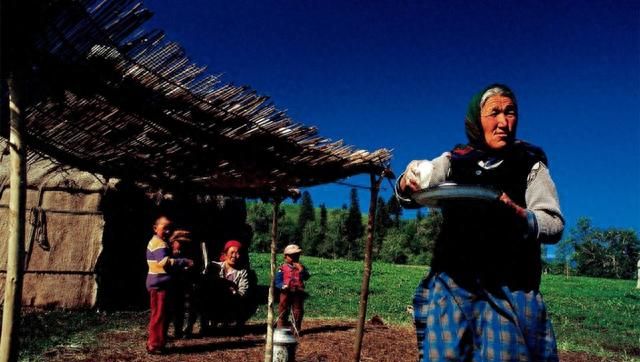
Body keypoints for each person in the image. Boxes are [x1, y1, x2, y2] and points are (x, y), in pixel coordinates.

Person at [396, 84, 564, 361]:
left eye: (510, 112)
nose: (503, 122)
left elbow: (553, 224)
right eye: (494, 113)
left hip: (509, 290)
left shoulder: (529, 164)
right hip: (452, 287)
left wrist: (521, 217)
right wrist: (407, 180)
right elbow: (413, 193)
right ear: (476, 120)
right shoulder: (455, 161)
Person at [145, 216, 193, 355]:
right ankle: (155, 345)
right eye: (164, 228)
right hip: (159, 285)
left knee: (162, 314)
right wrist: (184, 262)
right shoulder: (159, 244)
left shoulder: (159, 242)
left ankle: (158, 342)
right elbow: (164, 262)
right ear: (155, 228)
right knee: (159, 315)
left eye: (170, 228)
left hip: (161, 284)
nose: (168, 231)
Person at [201, 240, 251, 332]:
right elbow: (205, 283)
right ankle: (209, 324)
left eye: (238, 253)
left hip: (232, 301)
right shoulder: (214, 267)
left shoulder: (242, 272)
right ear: (225, 253)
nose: (235, 256)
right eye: (232, 252)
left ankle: (229, 323)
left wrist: (233, 293)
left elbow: (243, 292)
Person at [276, 244, 310, 334]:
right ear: (285, 257)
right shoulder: (282, 268)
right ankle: (281, 328)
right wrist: (282, 285)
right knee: (283, 309)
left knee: (297, 310)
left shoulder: (301, 267)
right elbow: (278, 280)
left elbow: (306, 277)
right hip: (286, 292)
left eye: (297, 256)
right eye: (292, 256)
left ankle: (296, 328)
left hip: (298, 292)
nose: (295, 258)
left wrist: (301, 270)